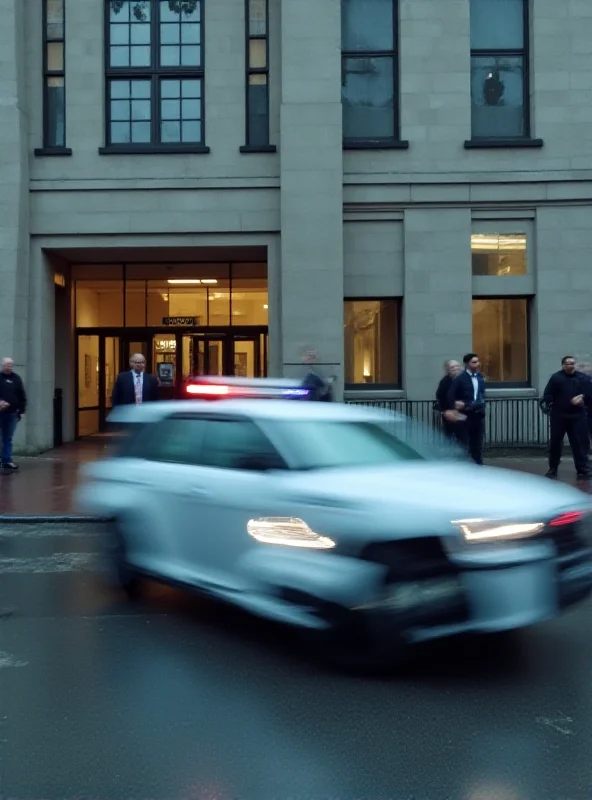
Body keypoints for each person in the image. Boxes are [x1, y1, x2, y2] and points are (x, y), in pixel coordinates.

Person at [542, 356, 591, 480]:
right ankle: (553, 468)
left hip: (577, 416)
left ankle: (582, 469)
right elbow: (548, 394)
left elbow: (590, 394)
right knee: (555, 443)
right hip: (559, 416)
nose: (570, 366)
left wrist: (583, 397)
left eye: (572, 363)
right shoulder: (556, 378)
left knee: (579, 443)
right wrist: (550, 404)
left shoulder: (582, 378)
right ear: (563, 365)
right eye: (568, 364)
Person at [447, 353, 486, 465]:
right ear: (467, 364)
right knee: (464, 444)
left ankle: (478, 466)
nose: (477, 364)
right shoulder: (460, 378)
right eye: (474, 362)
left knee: (477, 444)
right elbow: (450, 395)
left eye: (478, 362)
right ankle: (464, 467)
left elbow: (481, 393)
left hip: (478, 414)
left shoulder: (480, 377)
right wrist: (455, 406)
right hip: (465, 415)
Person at [0, 357, 27, 471]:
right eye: (7, 365)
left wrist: (21, 411)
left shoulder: (16, 378)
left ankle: (7, 460)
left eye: (11, 365)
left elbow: (22, 396)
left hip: (12, 414)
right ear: (2, 365)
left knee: (8, 438)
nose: (9, 367)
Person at [435, 360, 463, 440]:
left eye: (457, 366)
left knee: (463, 436)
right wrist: (445, 411)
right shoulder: (445, 382)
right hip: (449, 413)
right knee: (449, 435)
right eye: (452, 367)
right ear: (448, 370)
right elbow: (440, 396)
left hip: (464, 413)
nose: (455, 368)